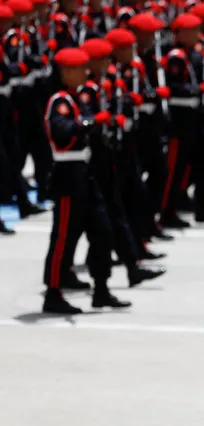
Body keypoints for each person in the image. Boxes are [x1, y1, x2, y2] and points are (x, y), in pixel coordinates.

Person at [42, 47, 131, 314]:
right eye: (79, 69)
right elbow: (62, 132)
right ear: (66, 72)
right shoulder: (60, 102)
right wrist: (90, 124)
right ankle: (53, 292)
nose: (84, 73)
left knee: (102, 230)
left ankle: (101, 288)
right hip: (68, 175)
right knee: (63, 237)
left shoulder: (77, 99)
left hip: (86, 171)